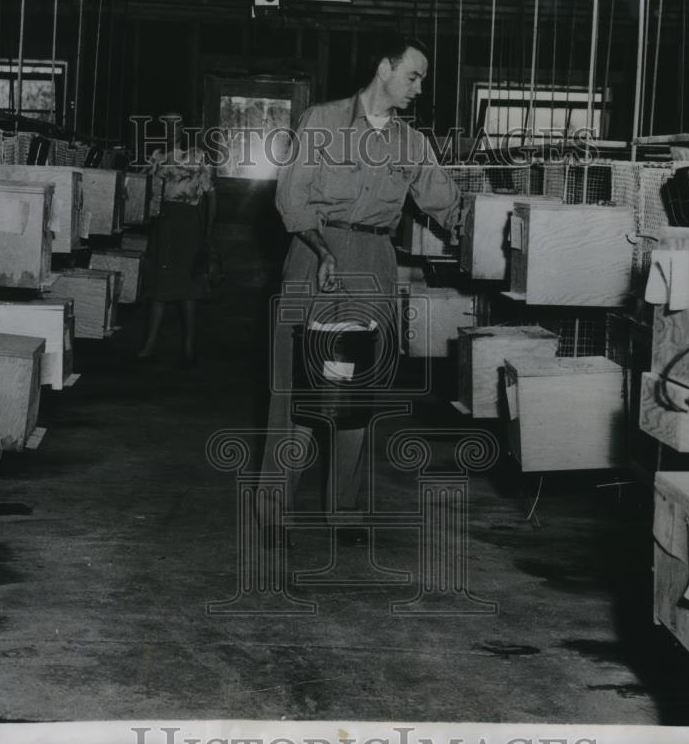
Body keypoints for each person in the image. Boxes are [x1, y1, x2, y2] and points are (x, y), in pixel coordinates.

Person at [259, 34, 461, 547]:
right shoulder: (322, 123)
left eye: (422, 80)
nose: (418, 88)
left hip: (374, 260)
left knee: (357, 391)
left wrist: (501, 228)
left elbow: (446, 203)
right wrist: (324, 252)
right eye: (413, 76)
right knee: (297, 391)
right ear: (384, 67)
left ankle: (343, 510)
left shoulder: (411, 143)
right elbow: (291, 201)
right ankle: (273, 512)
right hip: (315, 257)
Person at [138, 144, 218, 367]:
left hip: (190, 222)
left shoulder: (200, 155)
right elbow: (143, 186)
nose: (173, 127)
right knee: (159, 285)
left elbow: (211, 196)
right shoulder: (157, 155)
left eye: (178, 122)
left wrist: (208, 233)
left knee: (189, 286)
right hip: (164, 223)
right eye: (168, 122)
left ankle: (189, 348)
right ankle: (149, 346)